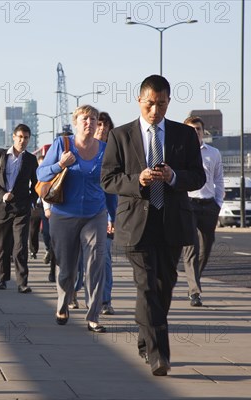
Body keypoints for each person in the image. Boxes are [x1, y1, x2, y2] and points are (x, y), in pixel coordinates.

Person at [101, 75, 206, 376]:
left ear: (168, 102)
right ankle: (160, 355)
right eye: (149, 104)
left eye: (161, 104)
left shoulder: (183, 136)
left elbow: (198, 177)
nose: (155, 110)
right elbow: (108, 179)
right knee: (146, 287)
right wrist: (139, 180)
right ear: (139, 100)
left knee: (163, 288)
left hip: (171, 222)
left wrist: (173, 177)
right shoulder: (120, 136)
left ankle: (145, 338)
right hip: (136, 223)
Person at [37, 106, 116, 333]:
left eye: (93, 119)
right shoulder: (63, 144)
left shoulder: (105, 150)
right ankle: (63, 305)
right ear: (76, 122)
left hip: (95, 215)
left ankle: (93, 316)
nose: (89, 123)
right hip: (64, 215)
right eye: (84, 119)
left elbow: (110, 188)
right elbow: (41, 175)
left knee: (95, 265)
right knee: (67, 268)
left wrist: (112, 216)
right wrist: (60, 164)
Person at [0, 124, 38, 293]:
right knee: (3, 246)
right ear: (14, 137)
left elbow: (37, 184)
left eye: (26, 138)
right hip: (2, 208)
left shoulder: (30, 159)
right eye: (20, 137)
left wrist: (31, 200)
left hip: (22, 209)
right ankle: (2, 279)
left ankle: (22, 282)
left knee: (21, 246)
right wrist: (2, 194)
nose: (23, 141)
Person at [182, 116, 225, 307]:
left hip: (208, 205)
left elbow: (219, 179)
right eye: (191, 129)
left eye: (198, 129)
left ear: (203, 131)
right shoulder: (179, 152)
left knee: (205, 249)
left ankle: (194, 280)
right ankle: (195, 292)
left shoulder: (213, 153)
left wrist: (218, 203)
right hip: (188, 204)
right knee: (191, 247)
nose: (195, 132)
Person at [96, 111, 118, 316]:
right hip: (78, 214)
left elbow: (113, 188)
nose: (101, 128)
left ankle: (104, 301)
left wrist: (112, 217)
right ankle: (74, 292)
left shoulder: (113, 152)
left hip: (104, 215)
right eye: (99, 124)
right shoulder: (78, 149)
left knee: (105, 259)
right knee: (77, 263)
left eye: (105, 125)